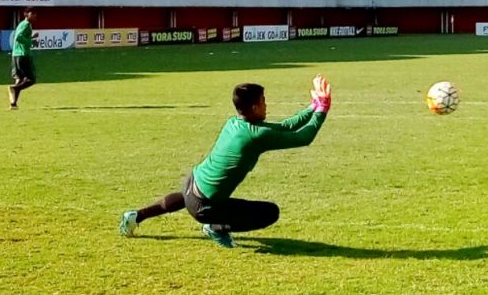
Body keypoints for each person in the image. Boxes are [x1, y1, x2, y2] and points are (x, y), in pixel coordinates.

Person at [119, 75, 332, 248]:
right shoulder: (257, 135)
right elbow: (304, 138)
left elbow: (285, 126)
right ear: (256, 107)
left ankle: (136, 216)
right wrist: (323, 109)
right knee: (269, 213)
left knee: (187, 198)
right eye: (264, 101)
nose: (266, 105)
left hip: (191, 182)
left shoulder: (235, 123)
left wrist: (313, 106)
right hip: (205, 206)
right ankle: (215, 227)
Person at [8, 7, 39, 110]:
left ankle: (13, 104)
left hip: (15, 55)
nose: (34, 15)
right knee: (31, 79)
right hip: (23, 55)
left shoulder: (22, 24)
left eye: (35, 13)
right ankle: (14, 88)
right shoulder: (26, 25)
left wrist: (31, 38)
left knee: (19, 79)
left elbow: (19, 37)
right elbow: (18, 38)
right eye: (32, 13)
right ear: (26, 14)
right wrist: (31, 42)